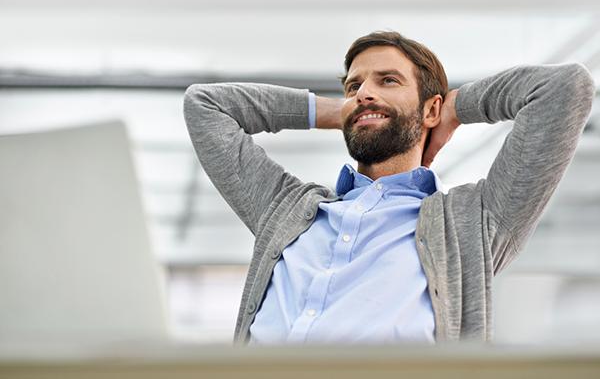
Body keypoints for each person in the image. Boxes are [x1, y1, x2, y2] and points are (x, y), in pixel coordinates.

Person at [183, 31, 595, 344]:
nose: (364, 93)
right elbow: (205, 105)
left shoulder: (473, 224)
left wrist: (454, 107)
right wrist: (338, 111)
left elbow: (565, 89)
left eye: (388, 81)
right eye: (354, 85)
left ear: (429, 108)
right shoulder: (287, 208)